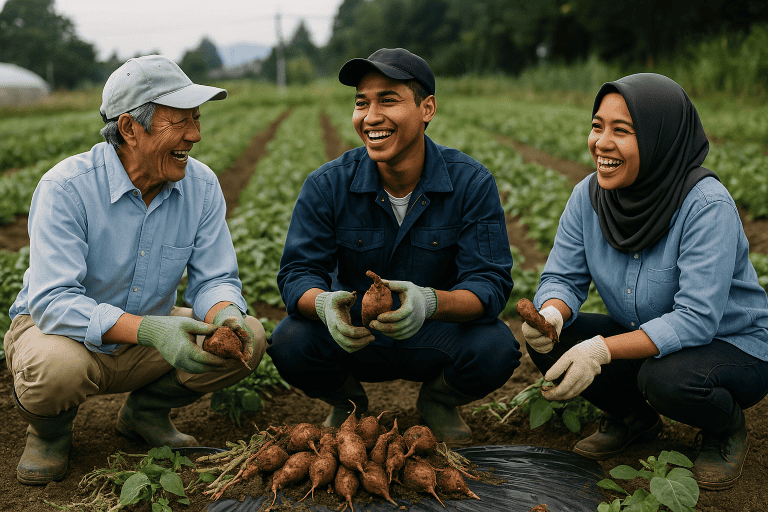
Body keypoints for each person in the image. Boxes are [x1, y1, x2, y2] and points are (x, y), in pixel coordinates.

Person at [3, 55, 266, 485]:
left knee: (248, 338)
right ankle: (49, 434)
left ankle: (145, 412)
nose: (195, 134)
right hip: (63, 335)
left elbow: (215, 279)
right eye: (179, 121)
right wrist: (150, 331)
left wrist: (225, 317)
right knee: (55, 369)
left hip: (147, 331)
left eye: (196, 118)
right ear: (128, 128)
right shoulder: (65, 188)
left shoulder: (201, 186)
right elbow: (53, 303)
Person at [522, 73, 768, 490]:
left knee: (666, 378)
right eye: (597, 126)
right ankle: (633, 418)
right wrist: (552, 313)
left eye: (622, 130)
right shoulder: (588, 197)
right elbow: (563, 276)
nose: (601, 143)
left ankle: (726, 430)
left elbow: (696, 320)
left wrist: (601, 350)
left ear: (660, 140)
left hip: (732, 346)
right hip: (647, 337)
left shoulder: (706, 205)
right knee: (552, 340)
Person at [267, 48, 521, 447]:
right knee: (289, 340)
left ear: (427, 108)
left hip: (435, 333)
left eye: (388, 100)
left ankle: (439, 400)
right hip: (356, 334)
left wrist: (429, 303)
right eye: (361, 103)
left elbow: (489, 283)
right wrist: (325, 305)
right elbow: (298, 273)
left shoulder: (471, 183)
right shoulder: (327, 184)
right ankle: (347, 402)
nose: (370, 117)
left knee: (496, 347)